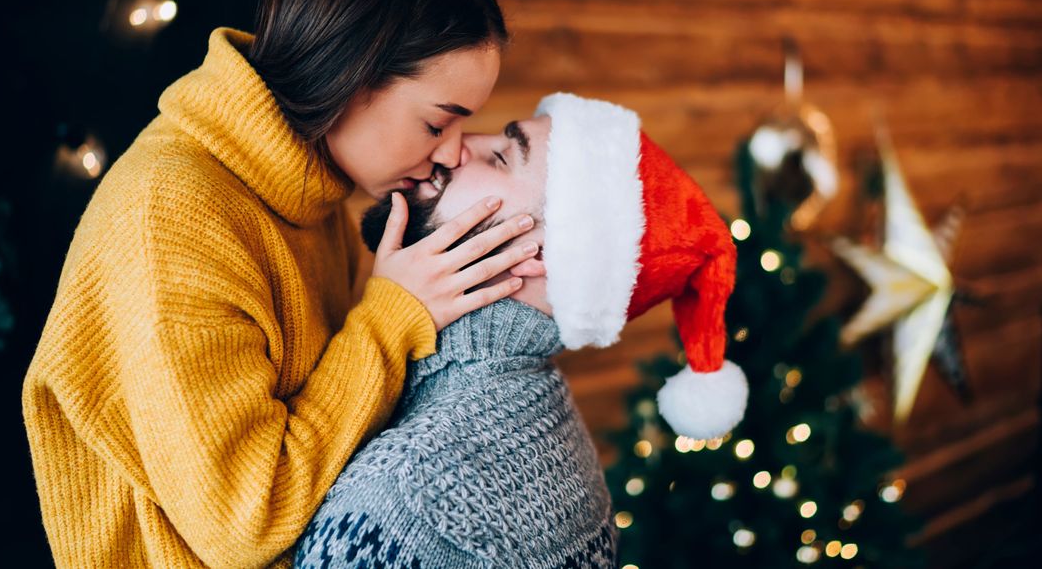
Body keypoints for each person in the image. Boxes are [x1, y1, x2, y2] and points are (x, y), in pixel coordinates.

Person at [21, 0, 542, 568]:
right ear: (352, 75)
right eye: (439, 122)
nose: (453, 153)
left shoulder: (313, 191)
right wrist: (392, 314)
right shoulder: (172, 212)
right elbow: (243, 522)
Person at [289, 93, 749, 568]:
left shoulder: (412, 497)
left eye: (502, 156)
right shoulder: (549, 434)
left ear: (544, 256)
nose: (458, 146)